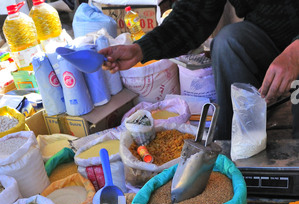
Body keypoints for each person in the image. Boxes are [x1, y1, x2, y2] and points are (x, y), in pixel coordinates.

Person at [99, 0, 299, 140]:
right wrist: (141, 49)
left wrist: (295, 53)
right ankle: (236, 155)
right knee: (228, 42)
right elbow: (193, 15)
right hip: (268, 38)